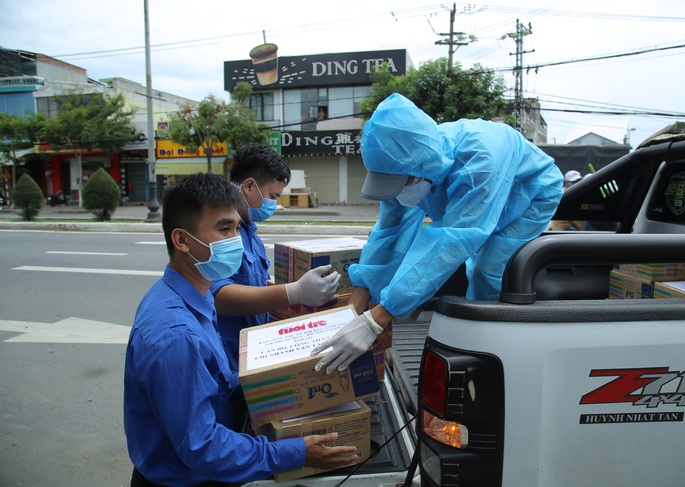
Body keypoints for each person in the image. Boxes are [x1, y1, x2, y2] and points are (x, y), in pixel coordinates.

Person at [124, 173, 358, 487]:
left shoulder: (194, 295)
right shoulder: (175, 335)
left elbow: (218, 385)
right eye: (224, 229)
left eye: (237, 228)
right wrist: (294, 453)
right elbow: (203, 448)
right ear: (181, 240)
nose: (235, 240)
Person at [311, 93, 563, 374]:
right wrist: (356, 305)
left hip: (529, 192)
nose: (395, 191)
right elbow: (388, 234)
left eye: (400, 182)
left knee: (488, 270)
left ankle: (488, 355)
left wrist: (376, 319)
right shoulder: (404, 163)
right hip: (474, 190)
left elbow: (450, 242)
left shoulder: (476, 163)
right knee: (451, 250)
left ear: (421, 170)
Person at [211, 143, 340, 368]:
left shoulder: (250, 232)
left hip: (251, 351)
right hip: (228, 356)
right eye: (272, 196)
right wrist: (294, 292)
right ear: (249, 186)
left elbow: (253, 285)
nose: (274, 204)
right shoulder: (222, 233)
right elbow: (219, 297)